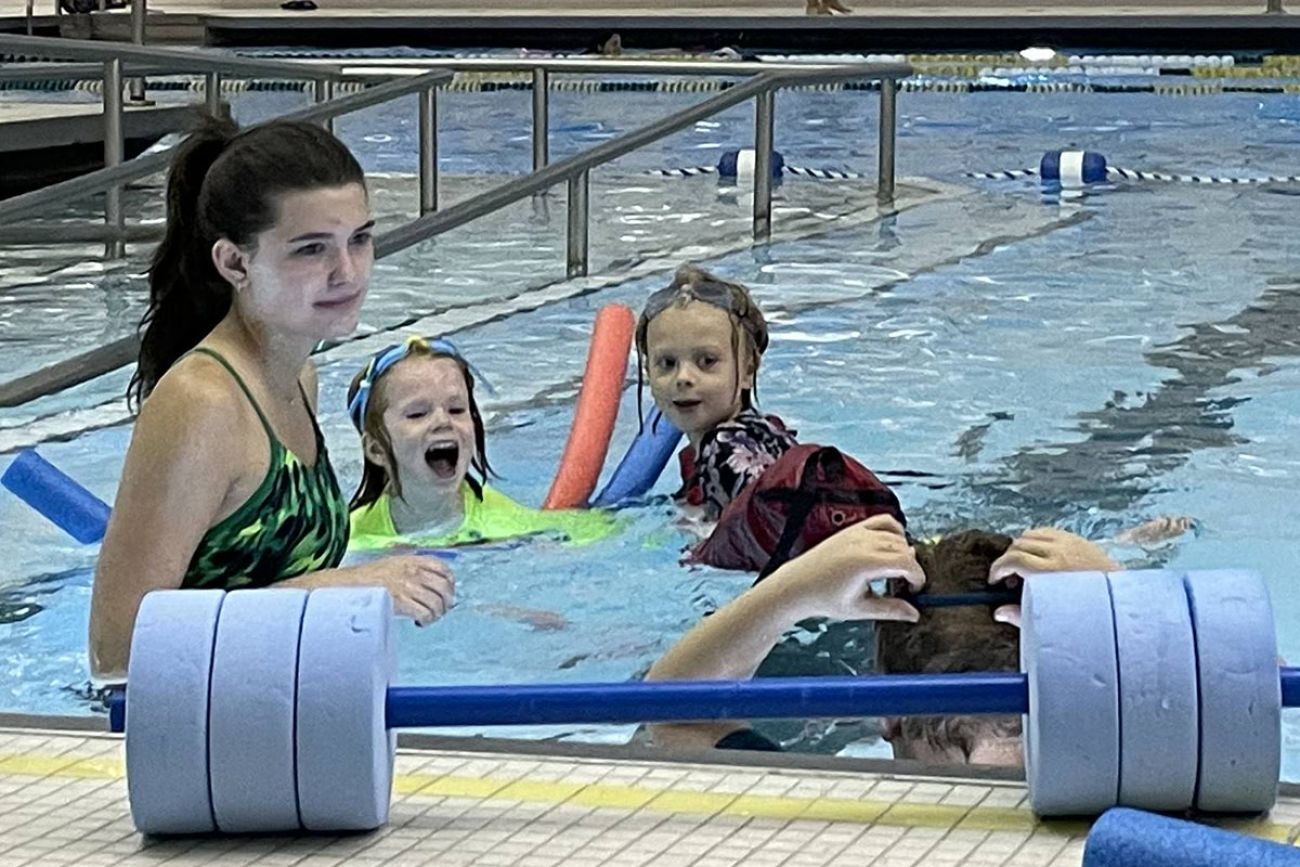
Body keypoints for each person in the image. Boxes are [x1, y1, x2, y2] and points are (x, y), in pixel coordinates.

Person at [88, 113, 453, 682]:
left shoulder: (297, 377)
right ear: (235, 262)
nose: (348, 272)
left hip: (263, 718)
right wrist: (334, 587)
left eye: (360, 239)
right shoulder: (203, 402)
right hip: (183, 740)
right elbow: (119, 650)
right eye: (311, 250)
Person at [644, 516, 1117, 757]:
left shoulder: (829, 820)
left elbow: (672, 714)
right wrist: (1121, 598)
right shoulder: (1142, 806)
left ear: (886, 713)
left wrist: (791, 588)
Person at [346, 335, 616, 549]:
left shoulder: (508, 524)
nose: (443, 421)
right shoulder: (349, 538)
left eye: (457, 409)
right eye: (418, 413)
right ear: (376, 449)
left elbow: (595, 532)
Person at [636, 264, 796, 523]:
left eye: (707, 361)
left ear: (747, 370)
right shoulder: (760, 433)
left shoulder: (726, 451)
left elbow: (770, 538)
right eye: (667, 363)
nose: (683, 378)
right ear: (647, 370)